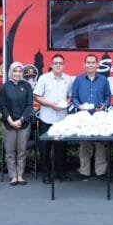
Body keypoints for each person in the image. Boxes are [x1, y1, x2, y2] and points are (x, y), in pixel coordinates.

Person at [71, 54, 112, 181]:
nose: (90, 64)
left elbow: (108, 97)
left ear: (97, 64)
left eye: (93, 62)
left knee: (100, 144)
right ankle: (84, 171)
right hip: (83, 116)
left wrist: (104, 105)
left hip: (98, 116)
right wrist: (79, 106)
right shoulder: (78, 79)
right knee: (84, 144)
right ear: (84, 64)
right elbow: (74, 97)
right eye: (88, 62)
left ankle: (100, 172)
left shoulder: (103, 80)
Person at [34, 54, 73, 184]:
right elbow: (37, 96)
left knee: (61, 149)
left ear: (64, 65)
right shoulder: (43, 78)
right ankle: (46, 175)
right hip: (46, 118)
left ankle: (61, 174)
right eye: (55, 63)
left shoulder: (68, 79)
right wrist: (52, 105)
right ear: (51, 65)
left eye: (60, 63)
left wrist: (66, 103)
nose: (58, 65)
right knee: (45, 148)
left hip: (62, 119)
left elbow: (70, 97)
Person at [0, 61, 34, 186]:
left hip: (23, 124)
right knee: (10, 151)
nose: (17, 73)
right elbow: (2, 106)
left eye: (20, 71)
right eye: (15, 71)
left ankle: (20, 174)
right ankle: (13, 176)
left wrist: (20, 120)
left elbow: (30, 105)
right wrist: (10, 121)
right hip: (8, 123)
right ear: (10, 72)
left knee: (22, 150)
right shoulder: (5, 87)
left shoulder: (27, 86)